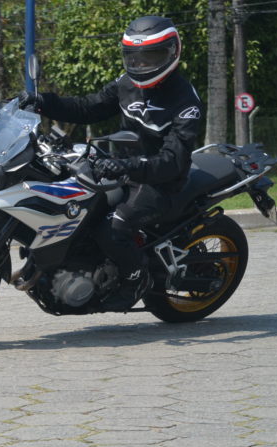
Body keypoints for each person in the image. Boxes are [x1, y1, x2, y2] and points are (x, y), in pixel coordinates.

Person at [19, 15, 202, 309]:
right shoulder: (126, 84)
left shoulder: (185, 101)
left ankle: (135, 280)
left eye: (150, 56)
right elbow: (88, 107)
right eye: (134, 57)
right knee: (76, 207)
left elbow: (172, 161)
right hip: (121, 169)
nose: (141, 64)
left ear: (172, 52)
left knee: (115, 226)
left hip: (161, 182)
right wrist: (44, 102)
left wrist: (129, 167)